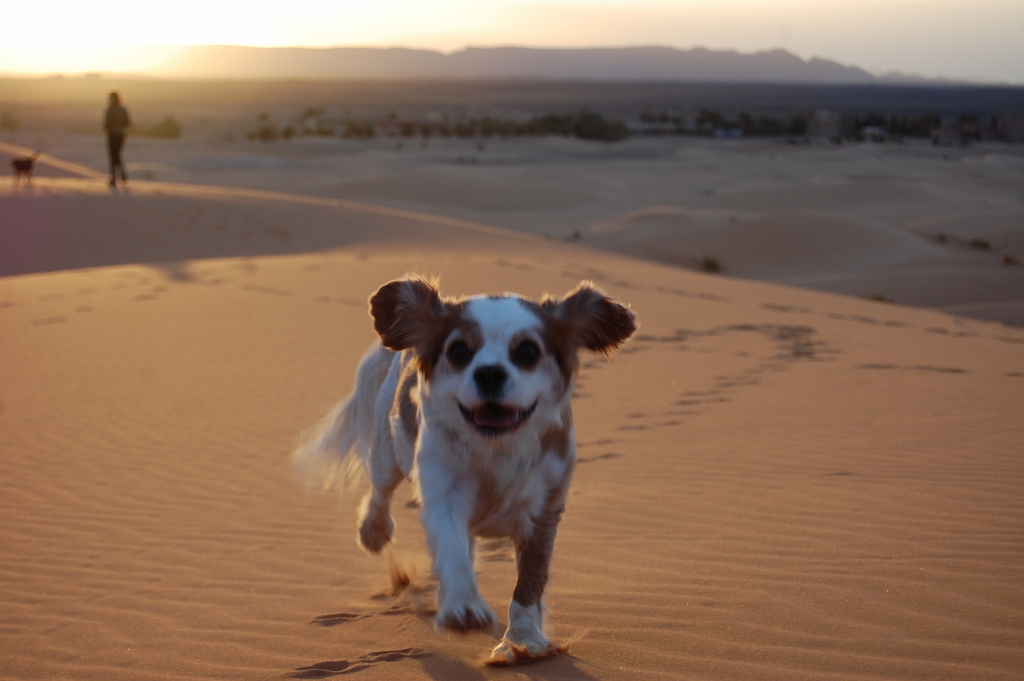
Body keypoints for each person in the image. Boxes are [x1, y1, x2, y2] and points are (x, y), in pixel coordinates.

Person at [103, 92, 130, 186]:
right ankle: (122, 174)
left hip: (113, 134)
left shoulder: (110, 109)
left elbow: (106, 124)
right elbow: (127, 122)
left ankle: (114, 177)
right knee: (117, 154)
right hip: (121, 134)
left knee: (113, 155)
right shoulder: (123, 109)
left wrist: (111, 129)